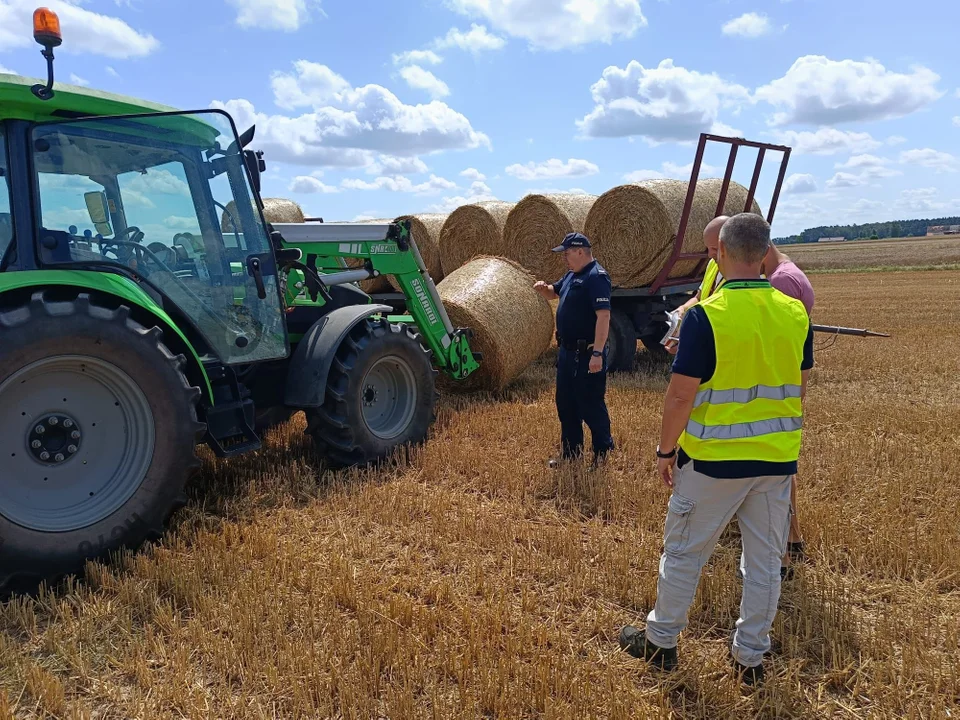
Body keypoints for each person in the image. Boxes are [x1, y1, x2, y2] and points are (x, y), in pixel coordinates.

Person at [618, 212, 814, 686]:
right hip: (775, 461)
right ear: (764, 251)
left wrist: (666, 452)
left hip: (712, 462)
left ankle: (661, 642)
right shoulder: (795, 313)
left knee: (684, 552)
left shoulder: (707, 316)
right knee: (764, 563)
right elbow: (801, 384)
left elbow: (681, 395)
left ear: (722, 253)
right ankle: (750, 658)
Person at [534, 232, 614, 467]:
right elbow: (554, 292)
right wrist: (544, 288)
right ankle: (571, 454)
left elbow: (604, 316)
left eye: (567, 253)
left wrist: (598, 353)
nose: (564, 258)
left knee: (590, 405)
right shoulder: (571, 275)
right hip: (567, 353)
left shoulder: (596, 277)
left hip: (588, 353)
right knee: (566, 404)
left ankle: (602, 453)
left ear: (580, 251)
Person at [761, 242, 816, 577]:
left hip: (775, 395)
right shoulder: (792, 273)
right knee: (783, 472)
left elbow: (776, 345)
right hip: (788, 391)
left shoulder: (780, 282)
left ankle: (780, 556)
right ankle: (792, 537)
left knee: (774, 479)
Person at [665, 215, 729, 355]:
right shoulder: (713, 264)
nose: (709, 254)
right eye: (708, 248)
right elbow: (700, 297)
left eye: (714, 248)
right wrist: (683, 309)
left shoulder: (743, 278)